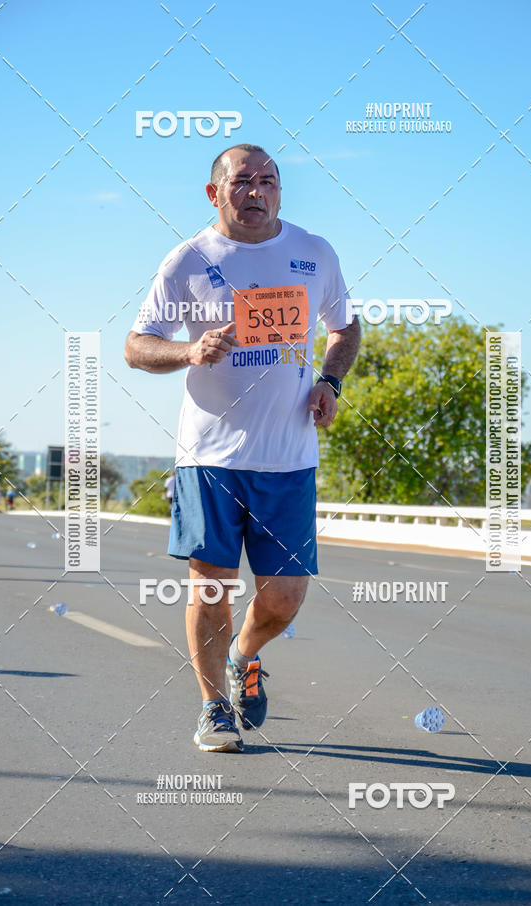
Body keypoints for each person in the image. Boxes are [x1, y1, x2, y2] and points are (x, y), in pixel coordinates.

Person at [125, 143, 360, 753]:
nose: (256, 191)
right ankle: (213, 709)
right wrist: (189, 351)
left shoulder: (313, 253)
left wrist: (329, 381)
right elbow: (137, 345)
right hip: (210, 455)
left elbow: (345, 326)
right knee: (211, 586)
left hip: (289, 456)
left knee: (283, 598)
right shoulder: (189, 261)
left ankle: (244, 653)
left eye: (269, 181)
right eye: (242, 182)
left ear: (280, 190)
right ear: (215, 194)